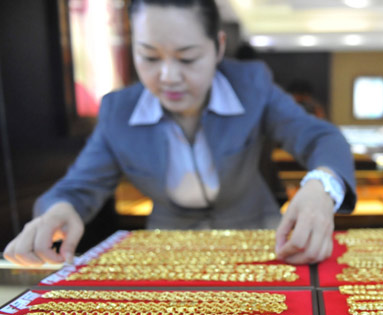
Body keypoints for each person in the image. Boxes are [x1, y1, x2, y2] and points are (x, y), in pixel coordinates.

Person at [3, 0, 356, 267]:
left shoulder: (252, 85)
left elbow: (319, 137)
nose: (168, 76)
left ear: (218, 46)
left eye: (187, 59)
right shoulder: (119, 112)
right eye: (149, 57)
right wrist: (56, 213)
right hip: (168, 250)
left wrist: (321, 186)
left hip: (262, 240)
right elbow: (78, 188)